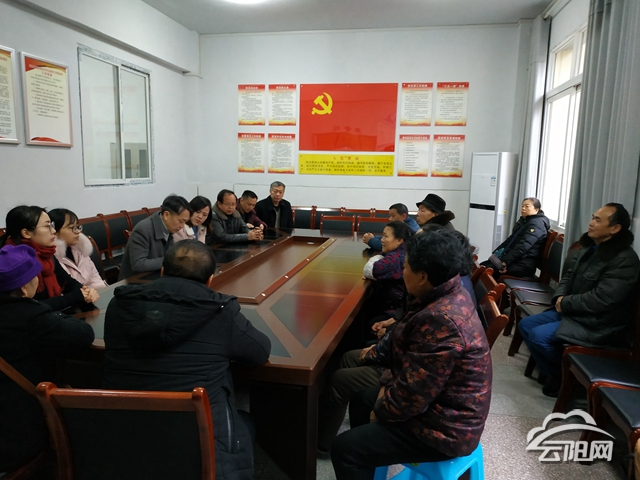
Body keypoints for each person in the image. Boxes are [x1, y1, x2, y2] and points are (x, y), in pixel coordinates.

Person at [103, 240, 271, 480]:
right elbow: (259, 351)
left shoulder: (118, 305)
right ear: (210, 280)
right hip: (200, 445)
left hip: (123, 438)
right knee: (245, 422)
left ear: (162, 271)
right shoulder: (220, 310)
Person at [331, 230, 492, 480]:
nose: (403, 271)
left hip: (447, 429)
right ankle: (369, 463)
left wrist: (382, 409)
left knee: (345, 449)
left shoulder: (441, 320)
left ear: (423, 276)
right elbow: (406, 362)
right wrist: (385, 391)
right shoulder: (446, 291)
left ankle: (362, 455)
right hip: (442, 406)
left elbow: (413, 395)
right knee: (362, 399)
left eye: (406, 267)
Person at [519, 203, 640, 397]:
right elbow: (568, 276)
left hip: (599, 324)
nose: (591, 223)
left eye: (597, 220)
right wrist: (559, 297)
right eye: (592, 217)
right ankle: (559, 373)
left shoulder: (625, 260)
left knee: (539, 337)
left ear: (615, 228)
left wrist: (565, 303)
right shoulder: (590, 247)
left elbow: (602, 300)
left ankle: (564, 379)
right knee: (526, 325)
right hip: (574, 312)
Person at [0, 244, 94, 473]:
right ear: (24, 288)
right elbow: (83, 335)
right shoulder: (30, 317)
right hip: (19, 430)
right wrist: (57, 315)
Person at [0, 205, 99, 311]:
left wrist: (86, 291)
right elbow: (28, 307)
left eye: (52, 225)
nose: (53, 231)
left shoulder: (46, 253)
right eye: (47, 226)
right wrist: (76, 296)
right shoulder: (13, 263)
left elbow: (67, 281)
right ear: (26, 233)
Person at [118, 195, 192, 280]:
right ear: (166, 215)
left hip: (156, 276)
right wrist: (171, 260)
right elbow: (139, 265)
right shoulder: (143, 230)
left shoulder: (169, 227)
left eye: (185, 222)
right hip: (136, 281)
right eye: (181, 221)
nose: (182, 226)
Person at [481, 197, 549, 279]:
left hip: (524, 264)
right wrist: (496, 253)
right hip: (515, 260)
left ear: (536, 210)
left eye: (527, 206)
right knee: (482, 266)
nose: (523, 208)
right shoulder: (525, 221)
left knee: (486, 271)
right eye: (522, 206)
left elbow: (523, 246)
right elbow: (511, 239)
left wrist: (505, 262)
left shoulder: (537, 224)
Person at [49, 208, 107, 289]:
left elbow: (95, 279)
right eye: (71, 228)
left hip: (93, 294)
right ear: (54, 231)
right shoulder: (52, 258)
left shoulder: (80, 248)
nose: (77, 231)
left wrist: (103, 292)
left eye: (77, 227)